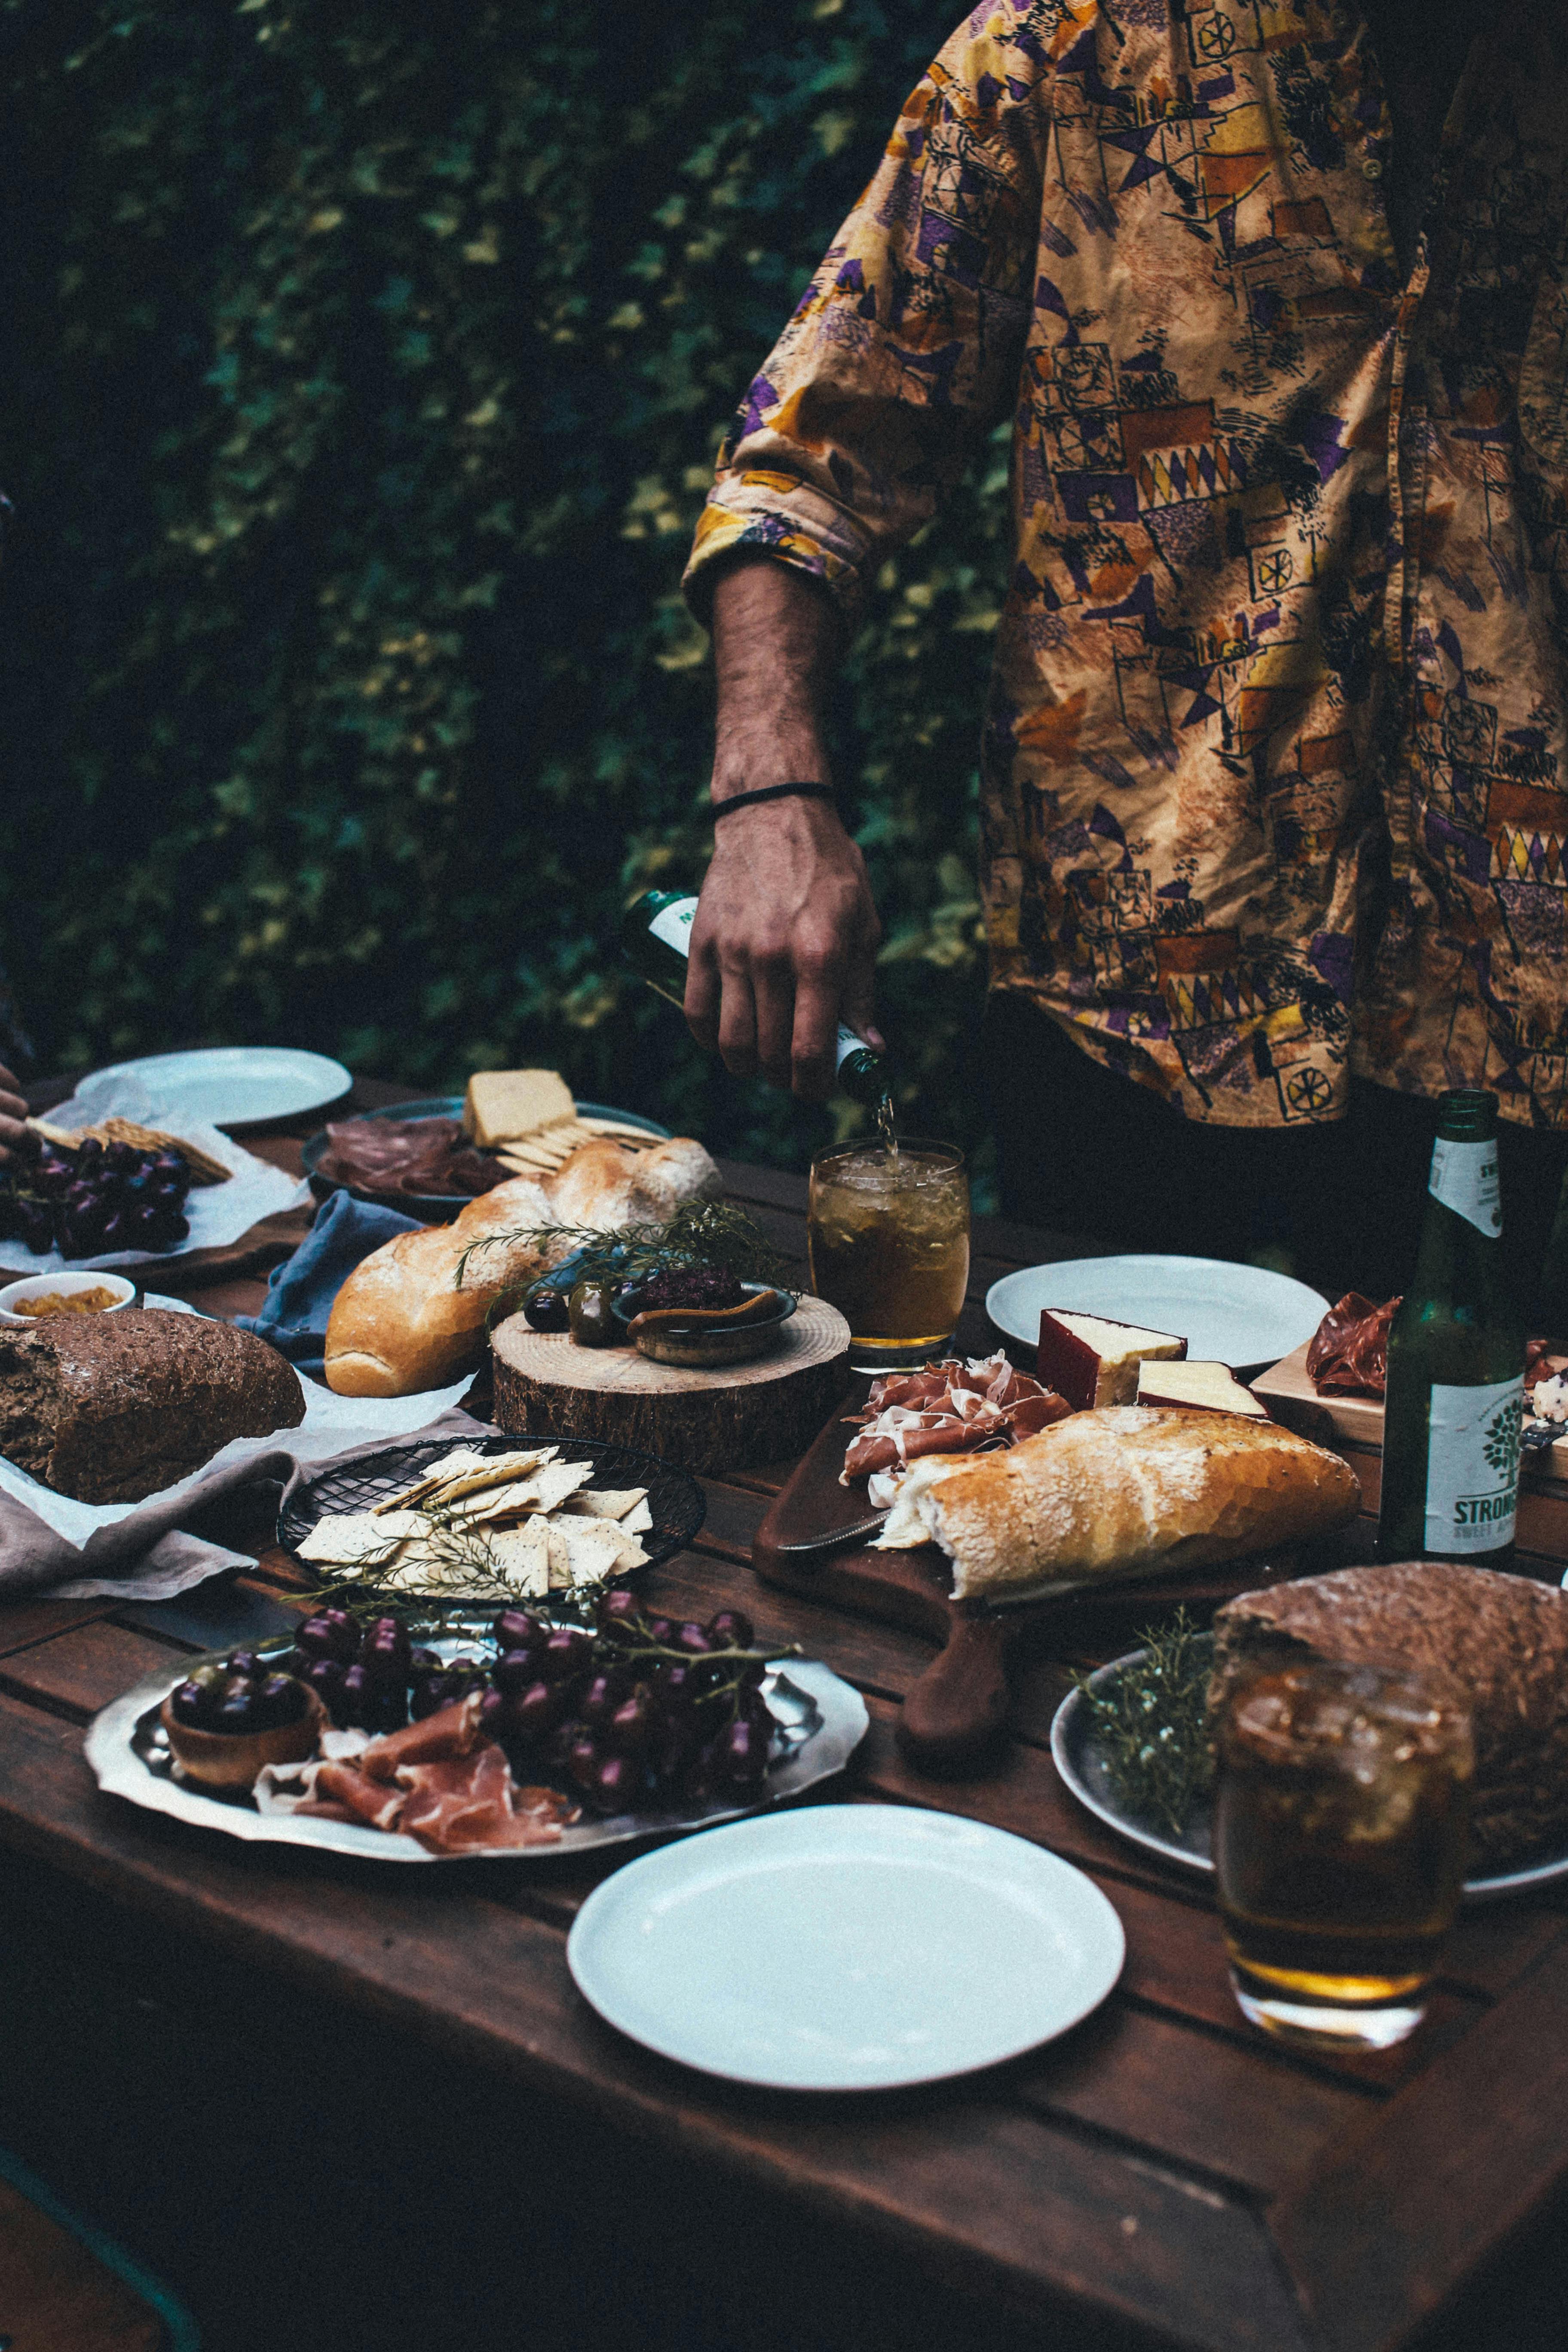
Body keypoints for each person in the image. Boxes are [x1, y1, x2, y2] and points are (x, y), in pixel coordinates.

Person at [678, 0, 1568, 1307]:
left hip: (1508, 999)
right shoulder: (1066, 41)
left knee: (1465, 1479)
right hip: (1129, 974)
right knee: (1077, 1461)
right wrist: (771, 804)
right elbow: (809, 462)